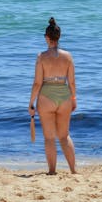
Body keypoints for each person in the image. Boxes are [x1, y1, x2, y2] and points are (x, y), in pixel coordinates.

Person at [28, 17, 77, 175]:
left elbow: (37, 83)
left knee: (49, 138)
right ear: (59, 37)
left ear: (46, 38)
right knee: (64, 136)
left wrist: (31, 103)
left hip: (46, 96)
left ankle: (52, 171)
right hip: (64, 95)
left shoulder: (41, 57)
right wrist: (74, 98)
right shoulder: (68, 56)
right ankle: (73, 170)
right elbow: (72, 82)